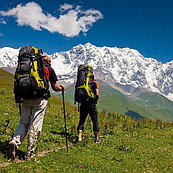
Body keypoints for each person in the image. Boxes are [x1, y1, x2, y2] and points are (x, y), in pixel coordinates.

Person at [8, 55, 66, 160]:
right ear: (48, 61)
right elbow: (54, 87)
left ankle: (14, 142)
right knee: (35, 125)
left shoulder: (29, 67)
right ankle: (30, 153)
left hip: (26, 98)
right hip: (40, 99)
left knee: (23, 123)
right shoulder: (49, 69)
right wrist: (61, 88)